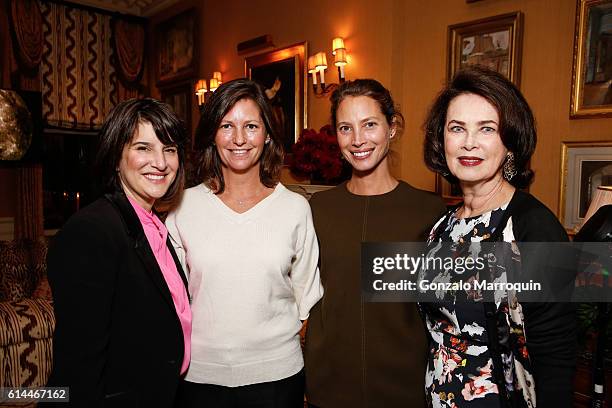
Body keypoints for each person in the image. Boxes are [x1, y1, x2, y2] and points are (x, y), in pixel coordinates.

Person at [421, 65, 576, 407]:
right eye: (457, 128)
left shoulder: (532, 227)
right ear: (442, 139)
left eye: (486, 129)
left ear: (510, 143)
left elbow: (556, 355)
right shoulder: (440, 227)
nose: (469, 143)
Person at [166, 78, 322, 407]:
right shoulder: (182, 208)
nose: (239, 139)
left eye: (251, 125)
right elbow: (172, 301)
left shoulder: (295, 208)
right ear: (212, 134)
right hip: (199, 378)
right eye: (227, 125)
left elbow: (306, 298)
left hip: (278, 379)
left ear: (267, 135)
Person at [304, 79, 447, 407]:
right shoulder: (317, 210)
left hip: (406, 390)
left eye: (369, 124)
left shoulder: (429, 211)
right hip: (329, 388)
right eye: (345, 128)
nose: (357, 140)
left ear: (392, 127)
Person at [46, 98, 191, 407]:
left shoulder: (151, 225)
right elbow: (78, 364)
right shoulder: (92, 232)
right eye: (143, 148)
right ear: (116, 157)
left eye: (169, 149)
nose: (161, 163)